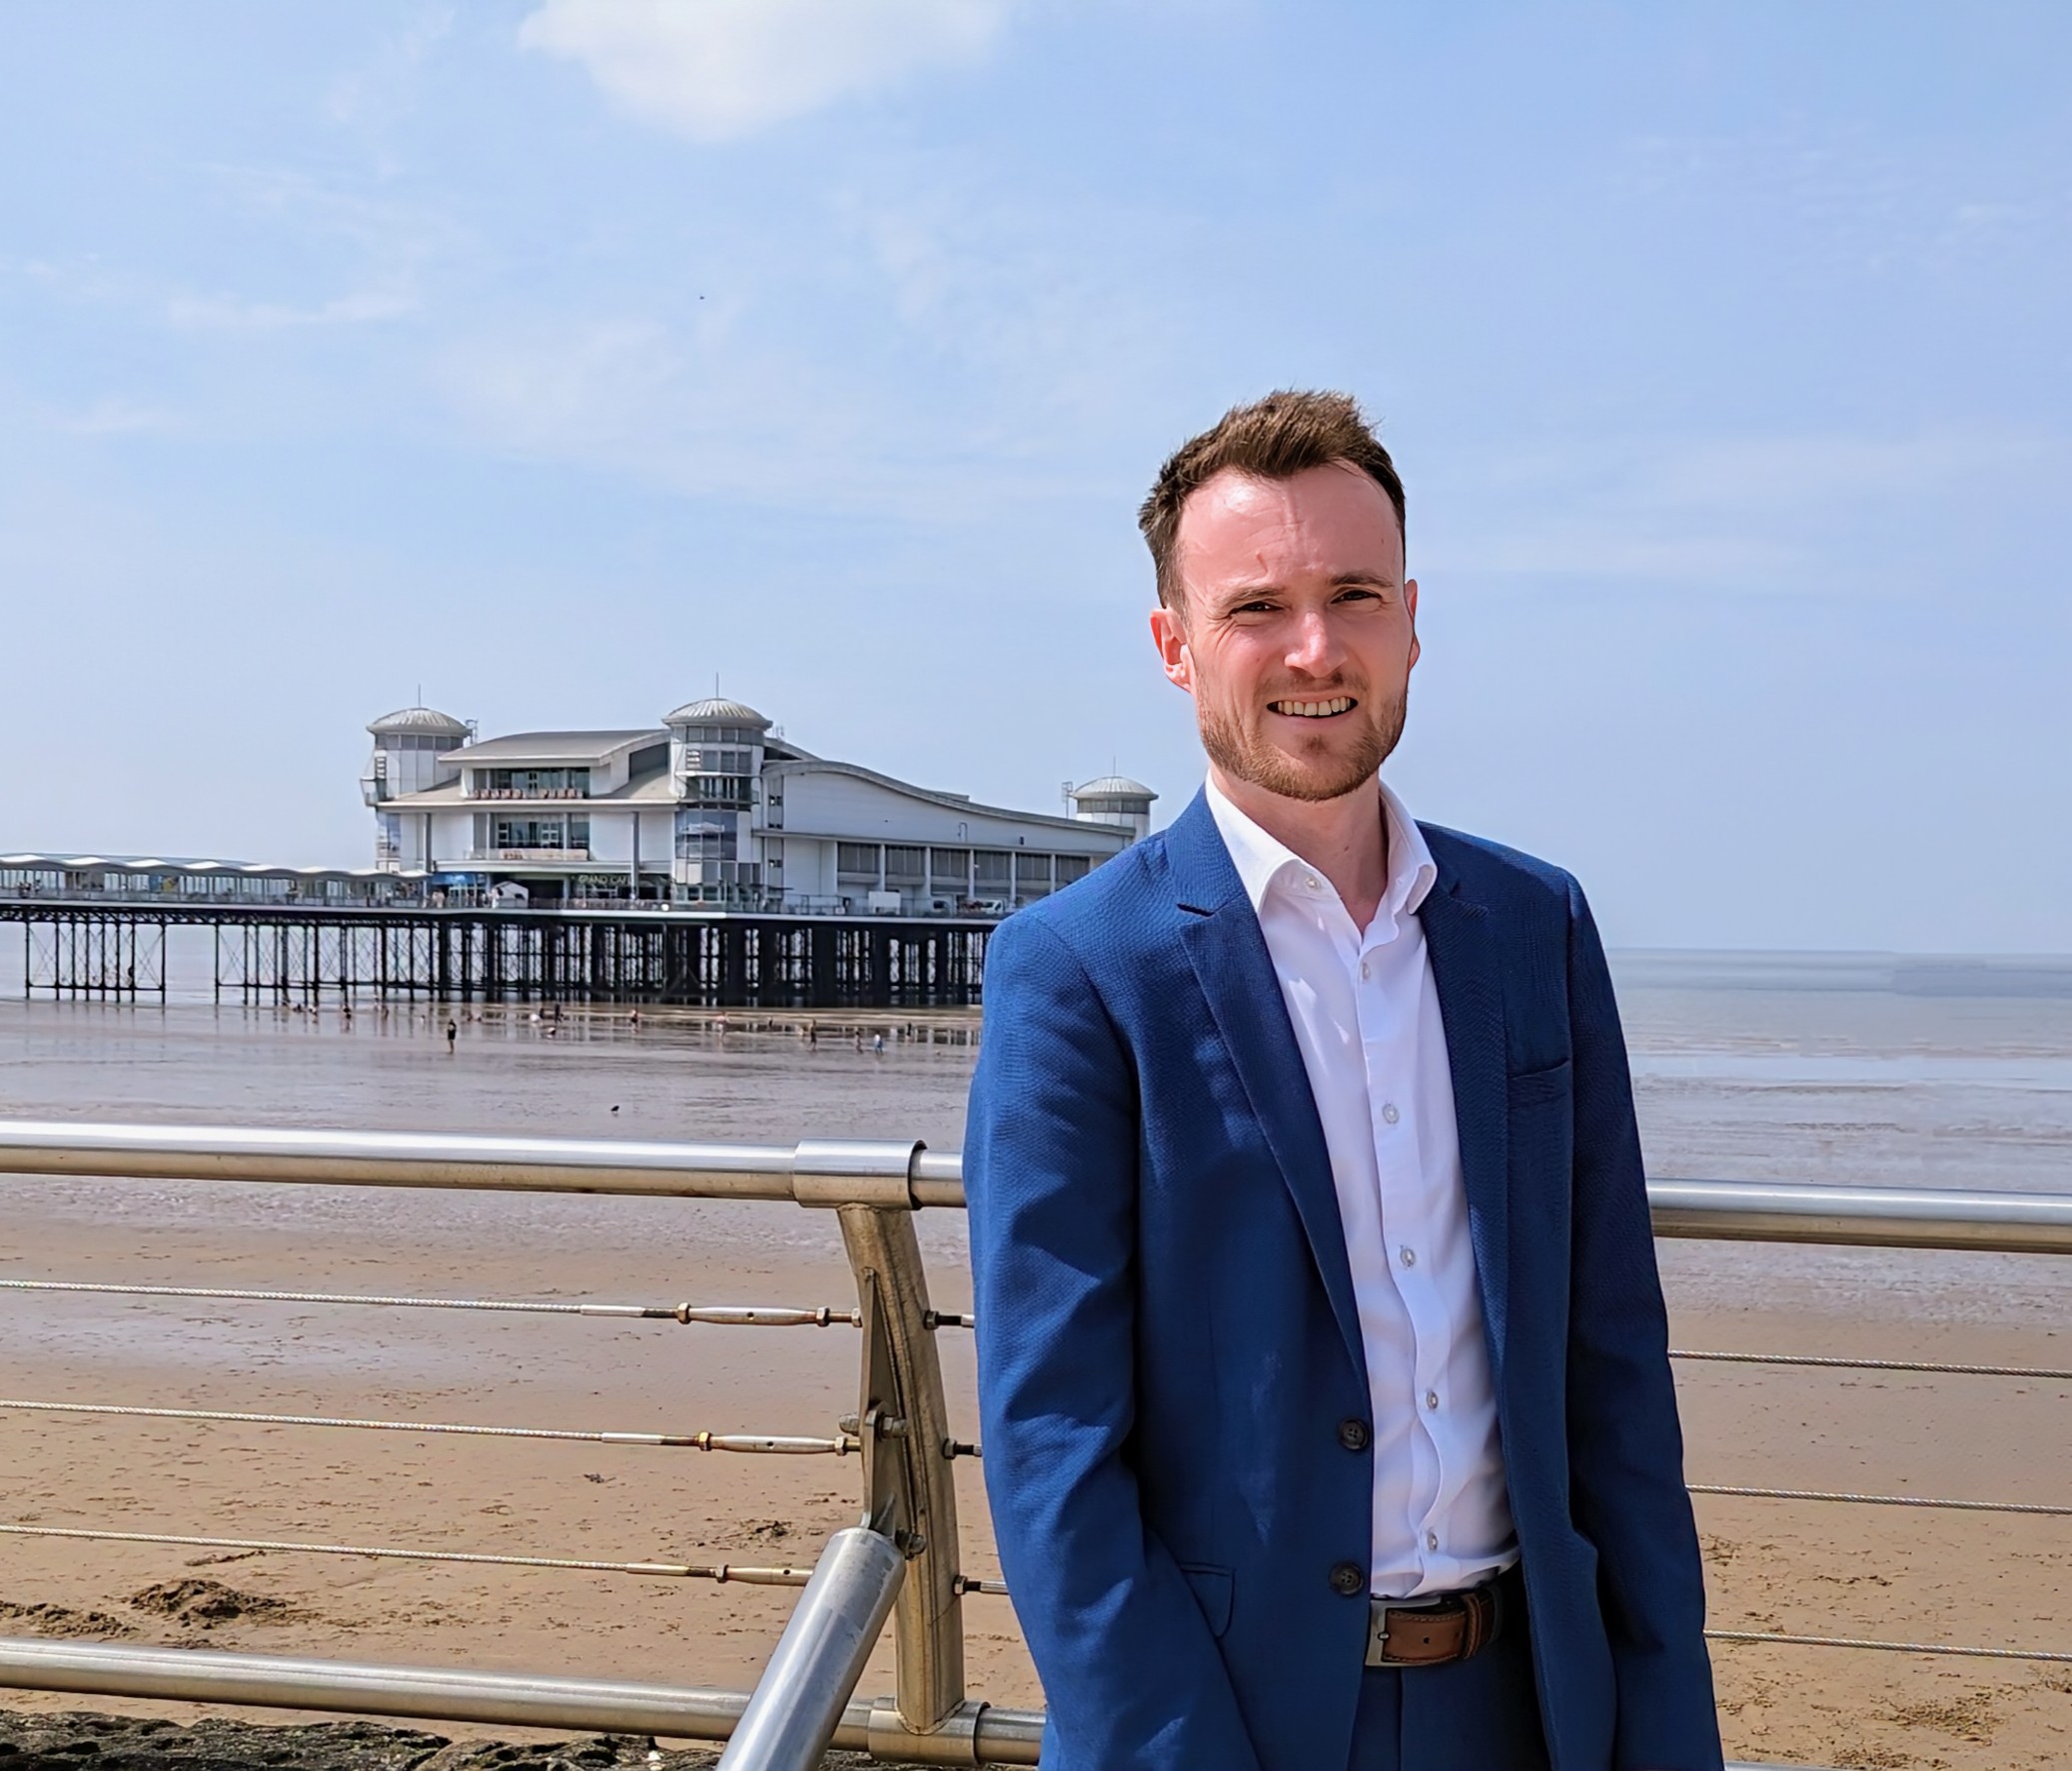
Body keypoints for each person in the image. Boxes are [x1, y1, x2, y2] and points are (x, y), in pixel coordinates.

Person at [966, 391, 1720, 1771]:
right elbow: (1050, 1443)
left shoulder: (1533, 924)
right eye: (1255, 606)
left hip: (1523, 1708)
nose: (1314, 648)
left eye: (1353, 594)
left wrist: (1666, 1731)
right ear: (1173, 647)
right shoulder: (1076, 969)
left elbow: (1614, 1371)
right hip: (1226, 1717)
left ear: (1412, 620)